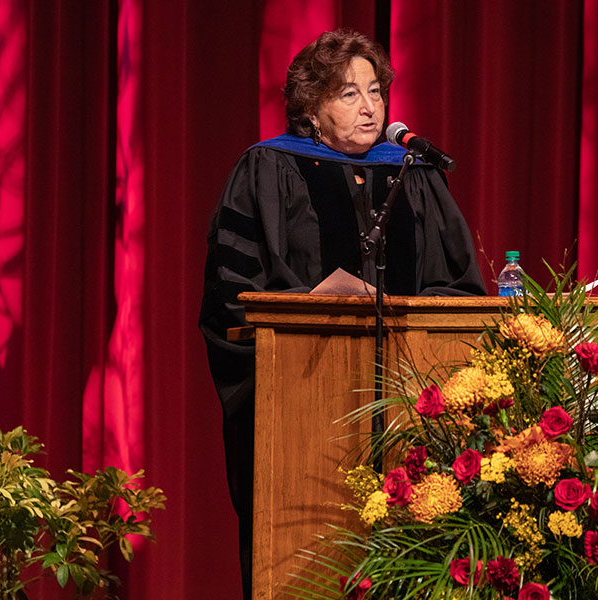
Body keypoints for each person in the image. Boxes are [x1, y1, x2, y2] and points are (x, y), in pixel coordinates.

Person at [199, 29, 485, 600]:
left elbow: (460, 290)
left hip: (410, 408)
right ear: (312, 109)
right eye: (348, 94)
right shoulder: (267, 171)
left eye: (375, 91)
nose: (369, 106)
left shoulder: (416, 174)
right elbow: (231, 297)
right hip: (303, 405)